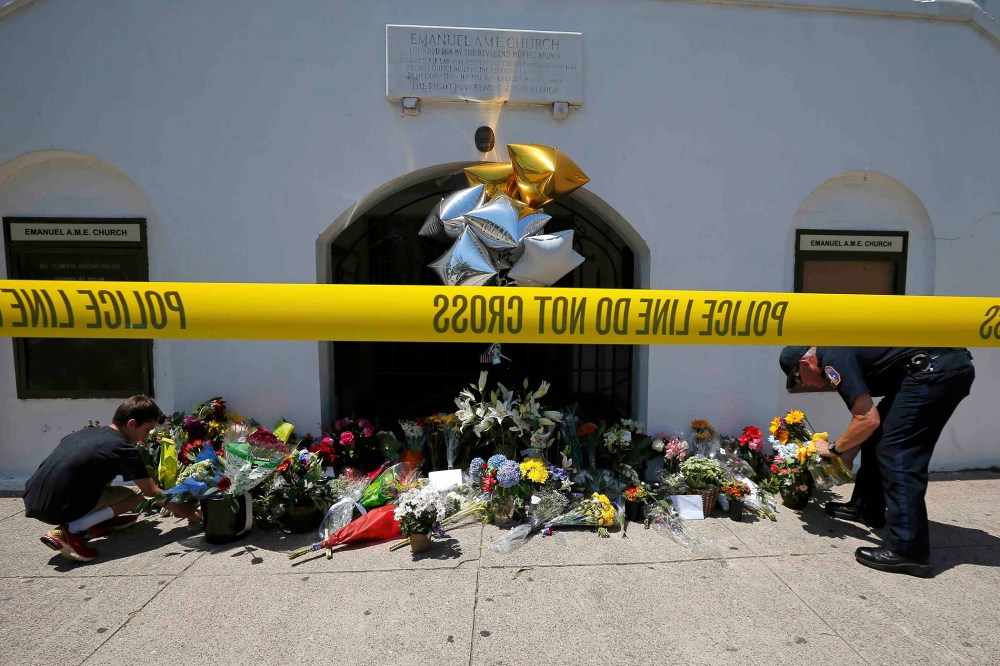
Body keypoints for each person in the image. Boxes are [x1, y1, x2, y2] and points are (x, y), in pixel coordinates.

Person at [779, 346, 974, 577]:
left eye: (798, 379)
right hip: (927, 371)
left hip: (933, 371)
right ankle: (867, 508)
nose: (803, 384)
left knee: (898, 453)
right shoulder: (835, 355)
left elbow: (866, 419)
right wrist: (846, 457)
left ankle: (909, 549)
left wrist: (834, 449)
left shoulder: (833, 359)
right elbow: (867, 424)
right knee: (879, 439)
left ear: (805, 364)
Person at [23, 395, 202, 563]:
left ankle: (96, 520)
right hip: (56, 509)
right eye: (146, 430)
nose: (146, 437)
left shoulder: (86, 433)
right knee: (137, 497)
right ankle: (71, 530)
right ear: (132, 423)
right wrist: (191, 514)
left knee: (97, 474)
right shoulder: (122, 448)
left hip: (33, 499)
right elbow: (152, 492)